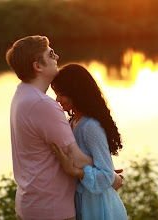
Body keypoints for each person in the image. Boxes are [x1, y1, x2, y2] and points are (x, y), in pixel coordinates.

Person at [6, 36, 123, 220]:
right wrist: (108, 174)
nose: (57, 57)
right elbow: (74, 157)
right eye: (51, 54)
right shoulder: (42, 104)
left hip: (33, 203)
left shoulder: (21, 95)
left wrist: (101, 169)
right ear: (38, 66)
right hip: (51, 209)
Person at [50, 63, 128, 220]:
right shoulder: (72, 122)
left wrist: (76, 172)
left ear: (76, 92)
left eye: (61, 94)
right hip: (82, 204)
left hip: (99, 208)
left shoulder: (90, 126)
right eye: (56, 94)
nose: (57, 99)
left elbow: (106, 176)